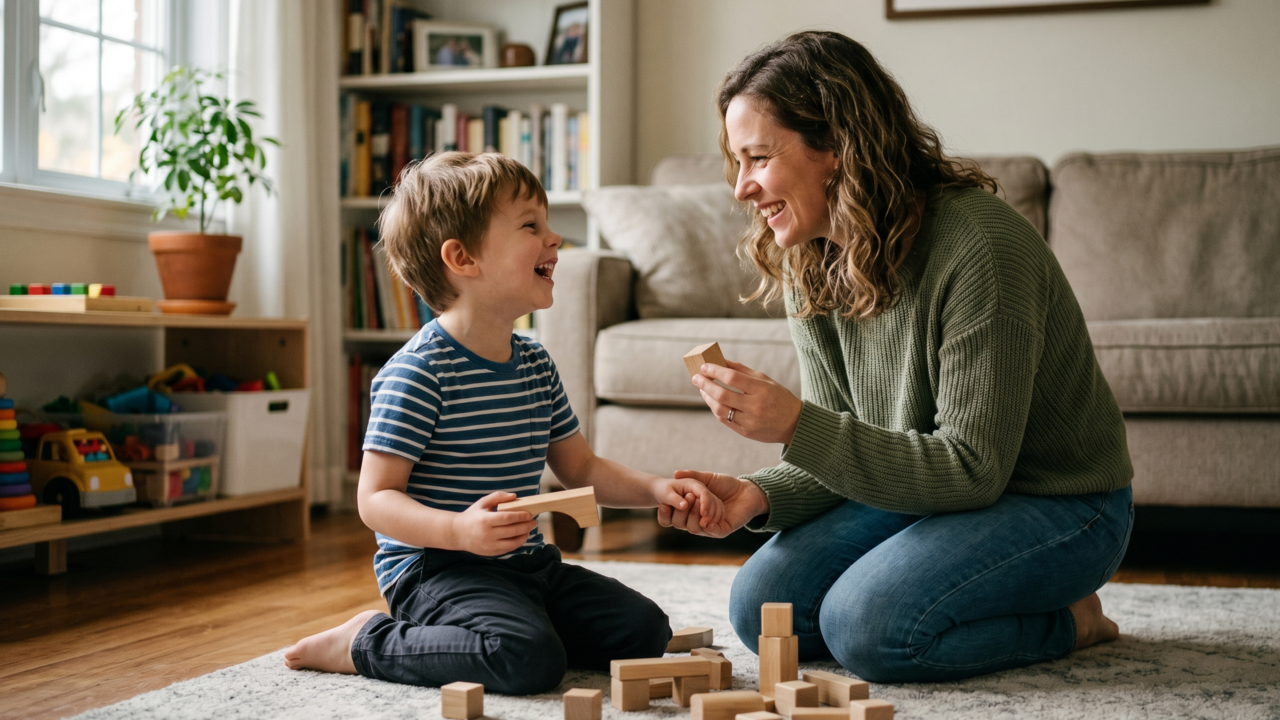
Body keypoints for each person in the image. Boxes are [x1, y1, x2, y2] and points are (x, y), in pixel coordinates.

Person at [659, 31, 1135, 684]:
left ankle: (1071, 620)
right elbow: (847, 444)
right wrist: (754, 496)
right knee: (760, 610)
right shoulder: (810, 256)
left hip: (1060, 504)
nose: (742, 188)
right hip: (926, 488)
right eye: (736, 163)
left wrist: (797, 425)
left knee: (869, 626)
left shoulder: (980, 247)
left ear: (834, 146)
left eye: (758, 158)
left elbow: (973, 470)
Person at [284, 152, 723, 694]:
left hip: (526, 564)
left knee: (644, 630)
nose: (554, 238)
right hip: (438, 571)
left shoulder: (534, 362)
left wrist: (659, 488)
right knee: (525, 660)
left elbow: (580, 466)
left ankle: (508, 628)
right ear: (463, 258)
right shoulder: (419, 373)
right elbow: (375, 500)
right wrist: (458, 532)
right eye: (530, 226)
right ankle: (364, 641)